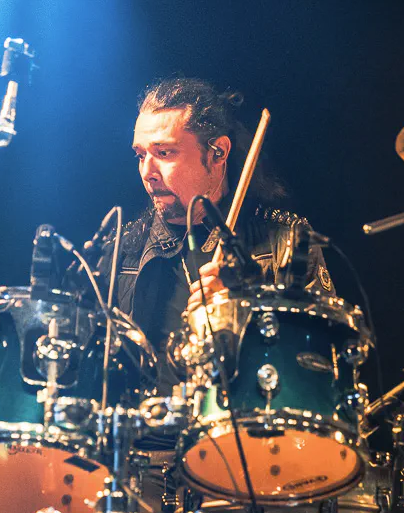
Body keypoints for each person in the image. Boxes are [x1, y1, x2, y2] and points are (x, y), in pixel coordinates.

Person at [98, 76, 334, 386]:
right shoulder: (122, 251)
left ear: (218, 152)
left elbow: (320, 371)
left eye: (164, 153)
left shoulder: (287, 243)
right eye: (141, 155)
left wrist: (242, 312)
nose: (147, 172)